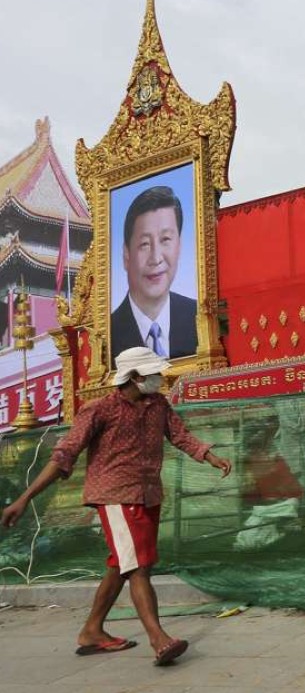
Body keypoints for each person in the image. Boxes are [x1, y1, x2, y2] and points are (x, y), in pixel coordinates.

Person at [1, 346, 231, 665]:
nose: (158, 378)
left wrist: (209, 456)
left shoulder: (159, 405)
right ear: (135, 377)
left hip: (148, 493)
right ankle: (159, 638)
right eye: (153, 374)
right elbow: (64, 455)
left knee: (123, 564)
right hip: (114, 495)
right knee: (136, 566)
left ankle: (92, 630)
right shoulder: (98, 410)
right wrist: (25, 499)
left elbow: (181, 436)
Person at [110, 185, 198, 362]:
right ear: (126, 254)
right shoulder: (108, 334)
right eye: (144, 244)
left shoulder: (199, 317)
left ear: (179, 246)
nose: (156, 258)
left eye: (165, 240)